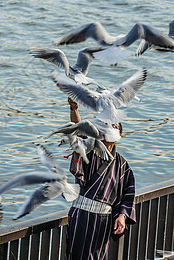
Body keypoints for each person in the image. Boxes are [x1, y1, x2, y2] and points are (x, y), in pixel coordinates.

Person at [65, 97, 136, 260]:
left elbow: (128, 195)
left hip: (103, 221)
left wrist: (122, 216)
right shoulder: (90, 151)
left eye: (114, 126)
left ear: (119, 134)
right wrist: (74, 109)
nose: (109, 128)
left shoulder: (123, 165)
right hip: (81, 217)